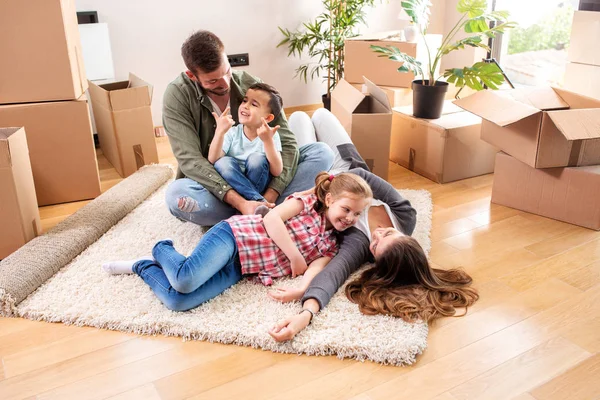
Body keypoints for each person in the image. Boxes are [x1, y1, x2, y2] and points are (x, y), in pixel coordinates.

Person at [268, 109, 479, 341]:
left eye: (375, 246)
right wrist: (321, 187)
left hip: (316, 180)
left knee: (298, 118)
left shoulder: (359, 243)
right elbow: (361, 175)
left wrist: (306, 313)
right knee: (320, 114)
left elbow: (333, 275)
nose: (376, 234)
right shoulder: (406, 214)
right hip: (343, 168)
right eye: (387, 233)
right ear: (407, 237)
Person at [102, 172, 373, 312]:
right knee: (184, 279)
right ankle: (163, 249)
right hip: (234, 238)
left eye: (357, 213)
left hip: (243, 267)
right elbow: (271, 219)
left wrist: (301, 290)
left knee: (178, 301)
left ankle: (143, 266)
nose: (350, 218)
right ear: (329, 200)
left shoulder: (331, 244)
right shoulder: (306, 203)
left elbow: (317, 269)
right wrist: (294, 256)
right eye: (346, 209)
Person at [162, 30, 334, 226]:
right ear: (192, 75)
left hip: (262, 174)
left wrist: (268, 195)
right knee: (177, 196)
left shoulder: (252, 85)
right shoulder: (177, 95)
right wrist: (241, 201)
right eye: (213, 81)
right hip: (216, 185)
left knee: (322, 153)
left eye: (227, 72)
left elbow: (286, 142)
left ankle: (258, 209)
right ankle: (261, 210)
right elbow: (190, 160)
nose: (225, 83)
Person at [208, 83, 283, 204]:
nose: (245, 106)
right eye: (244, 101)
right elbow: (213, 159)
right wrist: (219, 132)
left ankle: (247, 204)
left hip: (259, 182)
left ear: (268, 118)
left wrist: (267, 141)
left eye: (254, 104)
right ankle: (258, 201)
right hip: (234, 186)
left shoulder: (271, 134)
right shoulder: (232, 132)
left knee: (256, 159)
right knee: (222, 162)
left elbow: (277, 171)